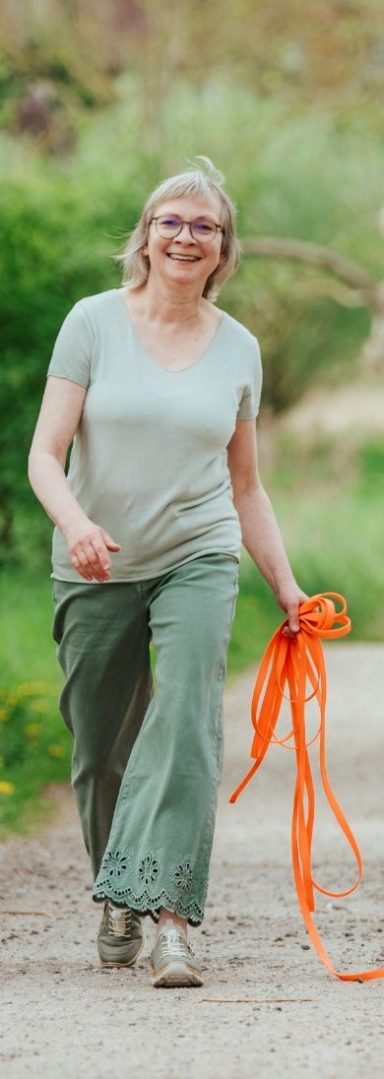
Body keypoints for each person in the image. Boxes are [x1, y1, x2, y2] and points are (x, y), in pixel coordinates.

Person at [28, 157, 305, 989]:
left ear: (225, 250)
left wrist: (285, 584)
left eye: (205, 226)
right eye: (171, 222)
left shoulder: (241, 348)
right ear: (146, 237)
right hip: (97, 559)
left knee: (184, 719)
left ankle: (171, 921)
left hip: (198, 552)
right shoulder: (93, 322)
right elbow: (45, 455)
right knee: (100, 744)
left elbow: (246, 485)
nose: (186, 237)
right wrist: (76, 524)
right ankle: (118, 891)